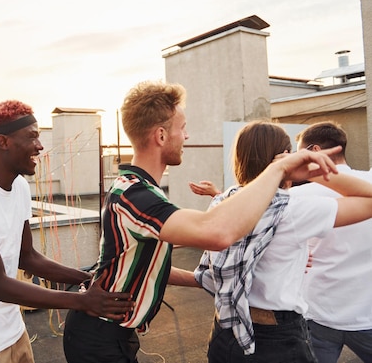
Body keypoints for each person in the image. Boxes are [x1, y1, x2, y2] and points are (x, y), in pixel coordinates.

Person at [62, 80, 344, 363]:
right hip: (99, 338)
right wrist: (279, 168)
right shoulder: (135, 195)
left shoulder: (139, 188)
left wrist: (213, 276)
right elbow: (216, 232)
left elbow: (154, 265)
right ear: (161, 135)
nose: (186, 136)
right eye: (182, 128)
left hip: (111, 334)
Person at [0, 99, 134, 363]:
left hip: (11, 330)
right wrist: (82, 301)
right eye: (32, 137)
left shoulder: (18, 186)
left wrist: (86, 279)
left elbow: (26, 256)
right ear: (3, 142)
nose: (40, 146)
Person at [194, 120, 372, 363]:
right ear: (286, 159)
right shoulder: (290, 208)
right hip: (277, 338)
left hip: (226, 330)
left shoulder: (223, 201)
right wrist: (312, 173)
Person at [290, 121, 372, 363]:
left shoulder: (295, 197)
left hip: (317, 312)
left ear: (315, 151)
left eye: (299, 153)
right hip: (367, 314)